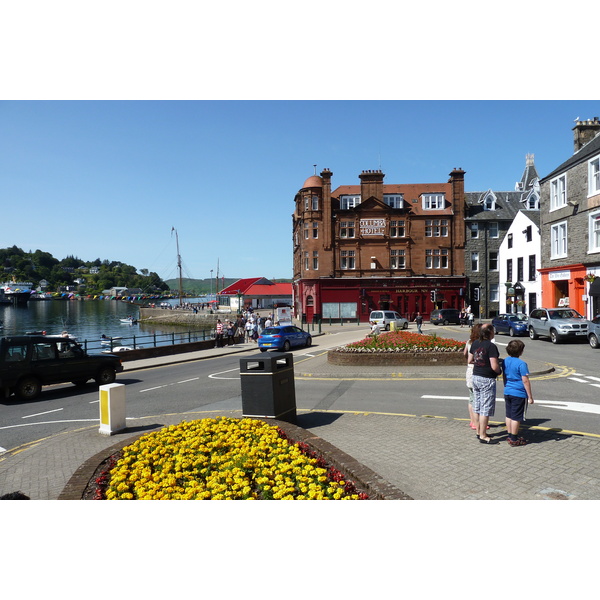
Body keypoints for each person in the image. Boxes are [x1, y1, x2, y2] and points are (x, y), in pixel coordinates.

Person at [468, 323, 502, 444]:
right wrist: (499, 371)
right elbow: (494, 366)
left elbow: (470, 360)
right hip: (486, 379)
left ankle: (478, 431)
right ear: (490, 333)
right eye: (493, 331)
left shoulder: (475, 343)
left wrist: (480, 362)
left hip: (476, 376)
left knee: (477, 406)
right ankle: (483, 436)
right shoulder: (491, 346)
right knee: (485, 408)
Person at [502, 339, 534, 446]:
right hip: (518, 393)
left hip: (508, 391)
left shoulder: (505, 361)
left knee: (509, 415)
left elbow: (504, 376)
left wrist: (505, 386)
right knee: (516, 417)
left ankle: (510, 435)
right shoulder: (522, 364)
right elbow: (525, 380)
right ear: (520, 351)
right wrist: (530, 396)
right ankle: (514, 439)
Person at [464, 323, 483, 431]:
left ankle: (472, 422)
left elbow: (464, 353)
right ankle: (477, 423)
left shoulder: (469, 342)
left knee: (471, 398)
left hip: (469, 370)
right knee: (477, 399)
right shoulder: (479, 343)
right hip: (476, 371)